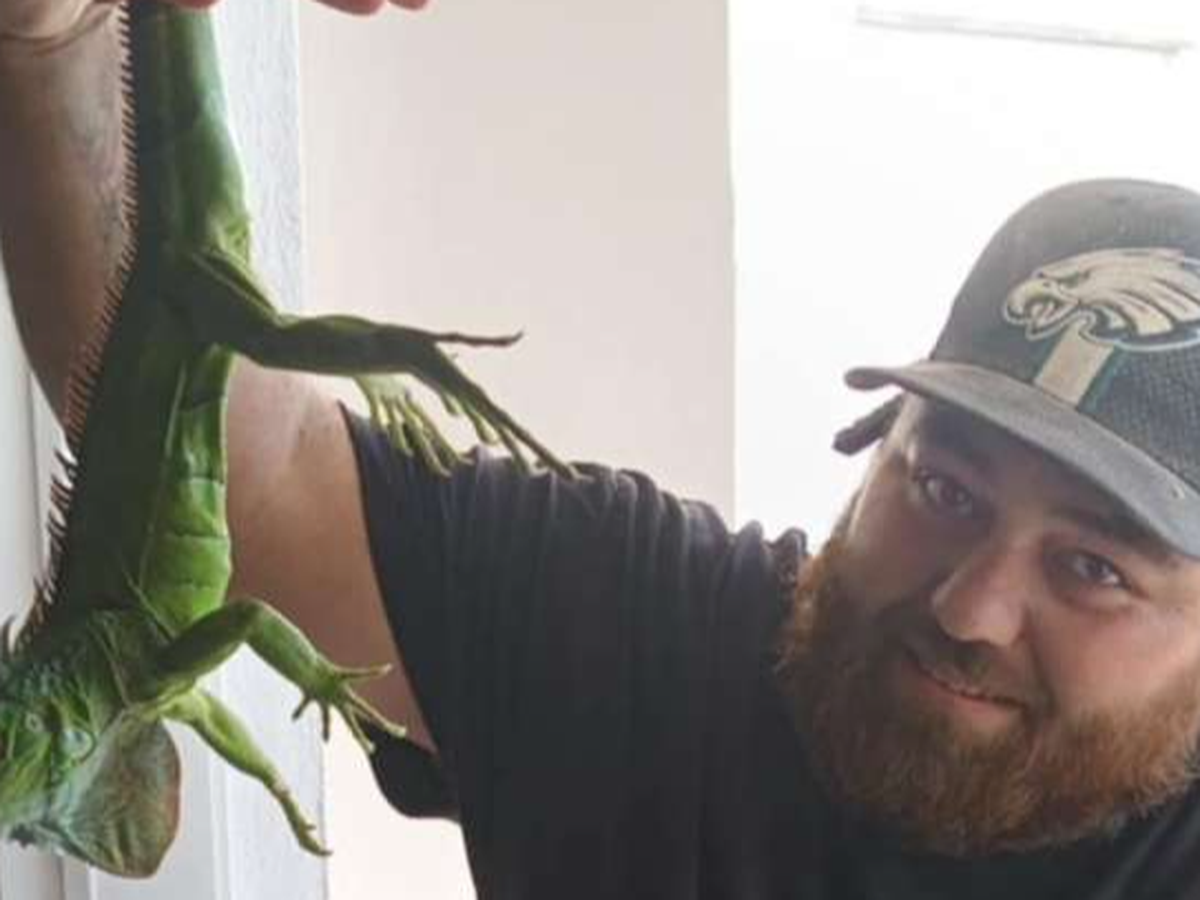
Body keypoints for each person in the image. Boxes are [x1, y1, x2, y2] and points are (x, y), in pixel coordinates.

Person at [4, 2, 1200, 899]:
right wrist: (52, 33)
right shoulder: (661, 644)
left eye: (1093, 567)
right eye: (943, 487)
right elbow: (226, 463)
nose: (971, 605)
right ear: (875, 445)